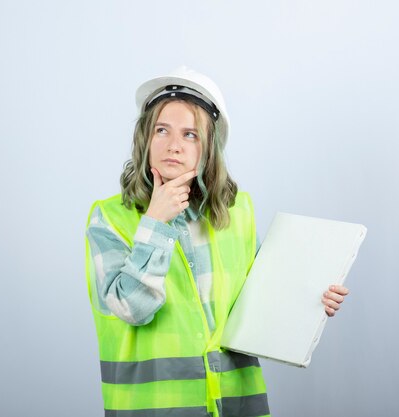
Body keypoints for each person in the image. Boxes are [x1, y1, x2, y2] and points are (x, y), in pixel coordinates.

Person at [84, 66, 349, 417]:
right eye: (162, 130)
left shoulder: (237, 214)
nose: (174, 146)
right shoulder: (110, 218)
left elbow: (258, 309)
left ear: (209, 148)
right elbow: (131, 310)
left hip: (236, 404)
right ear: (145, 138)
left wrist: (310, 301)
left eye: (190, 135)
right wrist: (155, 223)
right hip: (153, 408)